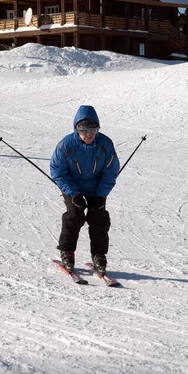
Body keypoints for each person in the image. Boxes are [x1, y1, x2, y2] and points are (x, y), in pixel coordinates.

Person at [50, 105, 120, 274]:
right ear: (76, 129)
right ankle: (67, 252)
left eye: (93, 131)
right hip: (73, 187)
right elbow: (57, 171)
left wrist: (101, 195)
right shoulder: (66, 145)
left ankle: (98, 255)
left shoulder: (105, 144)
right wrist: (73, 194)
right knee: (74, 215)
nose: (89, 135)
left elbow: (111, 172)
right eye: (84, 131)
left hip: (96, 189)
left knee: (99, 218)